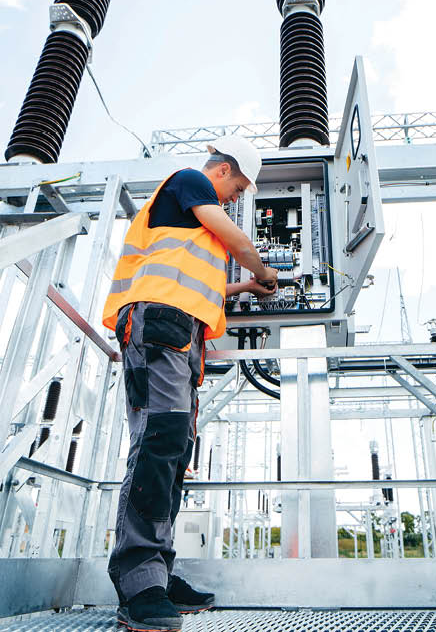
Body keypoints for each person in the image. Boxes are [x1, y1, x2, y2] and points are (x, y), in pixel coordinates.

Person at [101, 135, 277, 631]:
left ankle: (158, 571)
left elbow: (205, 282)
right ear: (222, 171)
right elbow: (242, 244)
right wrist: (263, 272)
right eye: (238, 187)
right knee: (159, 442)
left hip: (179, 333)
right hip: (158, 324)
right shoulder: (191, 181)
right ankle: (139, 582)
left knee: (175, 451)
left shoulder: (191, 225)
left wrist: (245, 286)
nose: (236, 198)